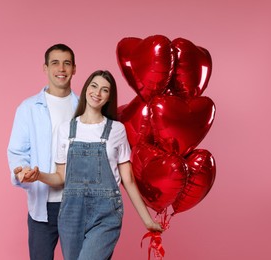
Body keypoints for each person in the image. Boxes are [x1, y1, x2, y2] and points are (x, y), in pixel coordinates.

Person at [17, 70, 163, 260]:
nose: (97, 93)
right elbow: (61, 178)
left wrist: (147, 220)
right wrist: (39, 176)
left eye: (105, 90)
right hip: (71, 214)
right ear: (86, 88)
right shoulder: (66, 130)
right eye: (94, 86)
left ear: (109, 97)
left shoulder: (116, 130)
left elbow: (128, 179)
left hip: (106, 213)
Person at [7, 43, 78, 260]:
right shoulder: (28, 108)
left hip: (77, 204)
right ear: (45, 68)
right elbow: (17, 151)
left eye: (67, 63)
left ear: (74, 69)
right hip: (42, 205)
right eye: (55, 63)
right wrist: (22, 171)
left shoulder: (83, 107)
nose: (61, 69)